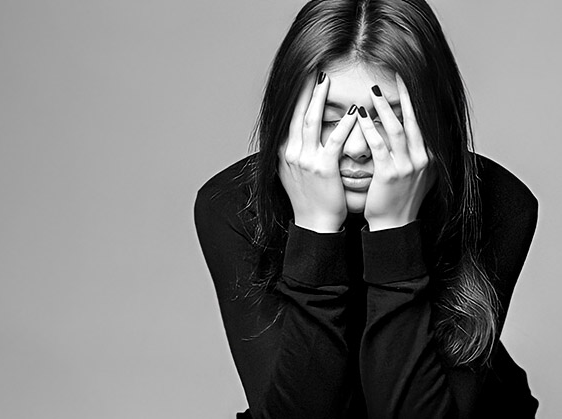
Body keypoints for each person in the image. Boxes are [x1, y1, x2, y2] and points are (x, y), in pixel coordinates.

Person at [194, 0, 539, 417]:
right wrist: (317, 229)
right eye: (328, 119)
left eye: (388, 119)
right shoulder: (234, 205)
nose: (356, 148)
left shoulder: (499, 203)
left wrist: (394, 230)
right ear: (287, 118)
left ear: (433, 118)